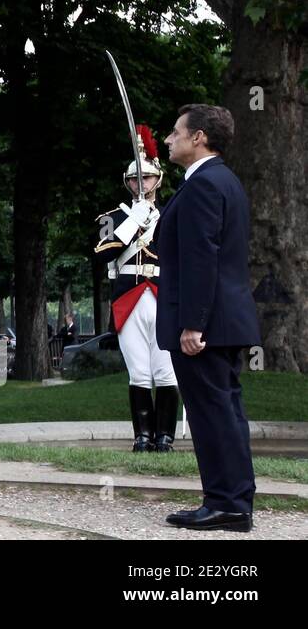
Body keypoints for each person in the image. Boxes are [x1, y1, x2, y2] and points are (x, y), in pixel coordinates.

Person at [158, 104, 261, 532]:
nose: (168, 139)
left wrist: (193, 323)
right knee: (225, 410)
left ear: (198, 137)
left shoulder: (203, 185)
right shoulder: (225, 181)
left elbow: (203, 258)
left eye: (176, 132)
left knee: (212, 413)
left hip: (207, 323)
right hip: (226, 319)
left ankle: (226, 502)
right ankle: (233, 498)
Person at [93, 124, 180, 452]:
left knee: (165, 369)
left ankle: (165, 437)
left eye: (146, 178)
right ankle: (142, 436)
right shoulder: (113, 217)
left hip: (162, 295)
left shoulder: (172, 214)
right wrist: (134, 221)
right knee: (139, 372)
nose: (140, 184)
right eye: (134, 179)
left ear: (157, 179)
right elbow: (103, 252)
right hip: (128, 297)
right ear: (127, 182)